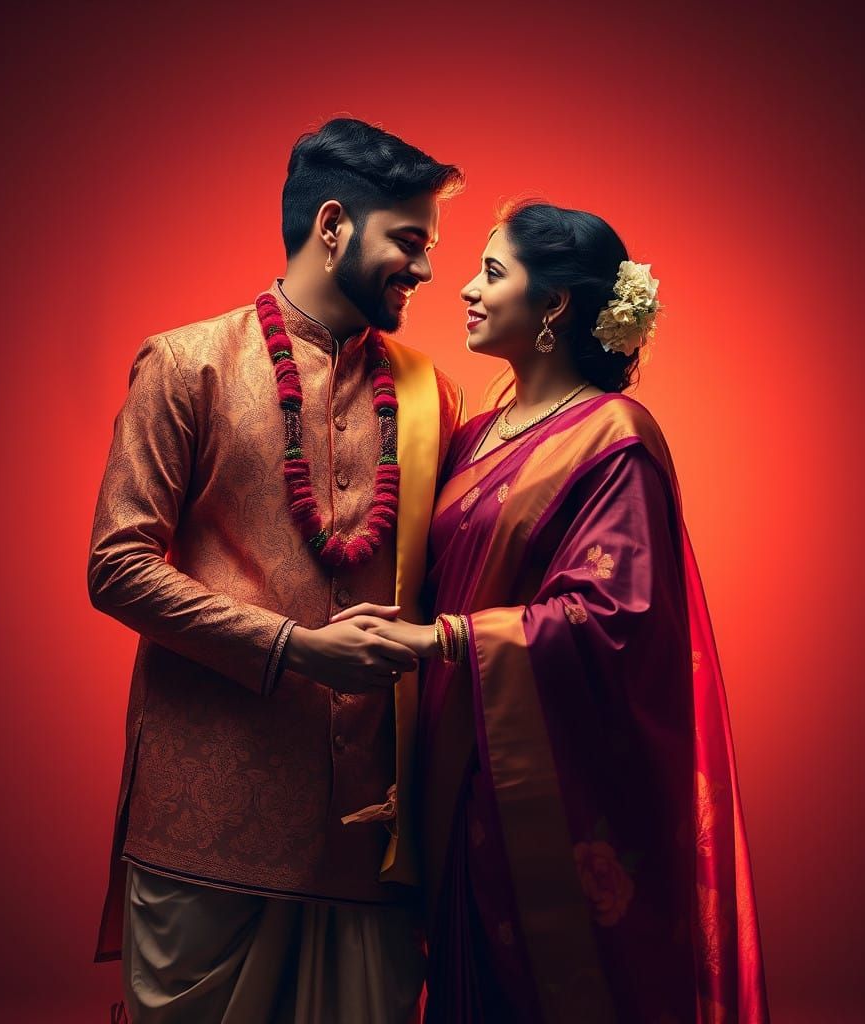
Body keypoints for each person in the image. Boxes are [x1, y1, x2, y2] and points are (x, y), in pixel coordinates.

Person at [331, 201, 771, 1022]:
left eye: (493, 272)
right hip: (455, 770)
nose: (463, 287)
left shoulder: (615, 438)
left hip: (534, 784)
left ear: (555, 305)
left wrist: (444, 640)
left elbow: (616, 618)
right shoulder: (477, 433)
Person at [87, 117, 466, 1023]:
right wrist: (292, 646)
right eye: (408, 241)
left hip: (371, 840)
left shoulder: (430, 392)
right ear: (333, 225)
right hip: (207, 821)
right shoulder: (187, 365)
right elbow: (116, 566)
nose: (424, 269)